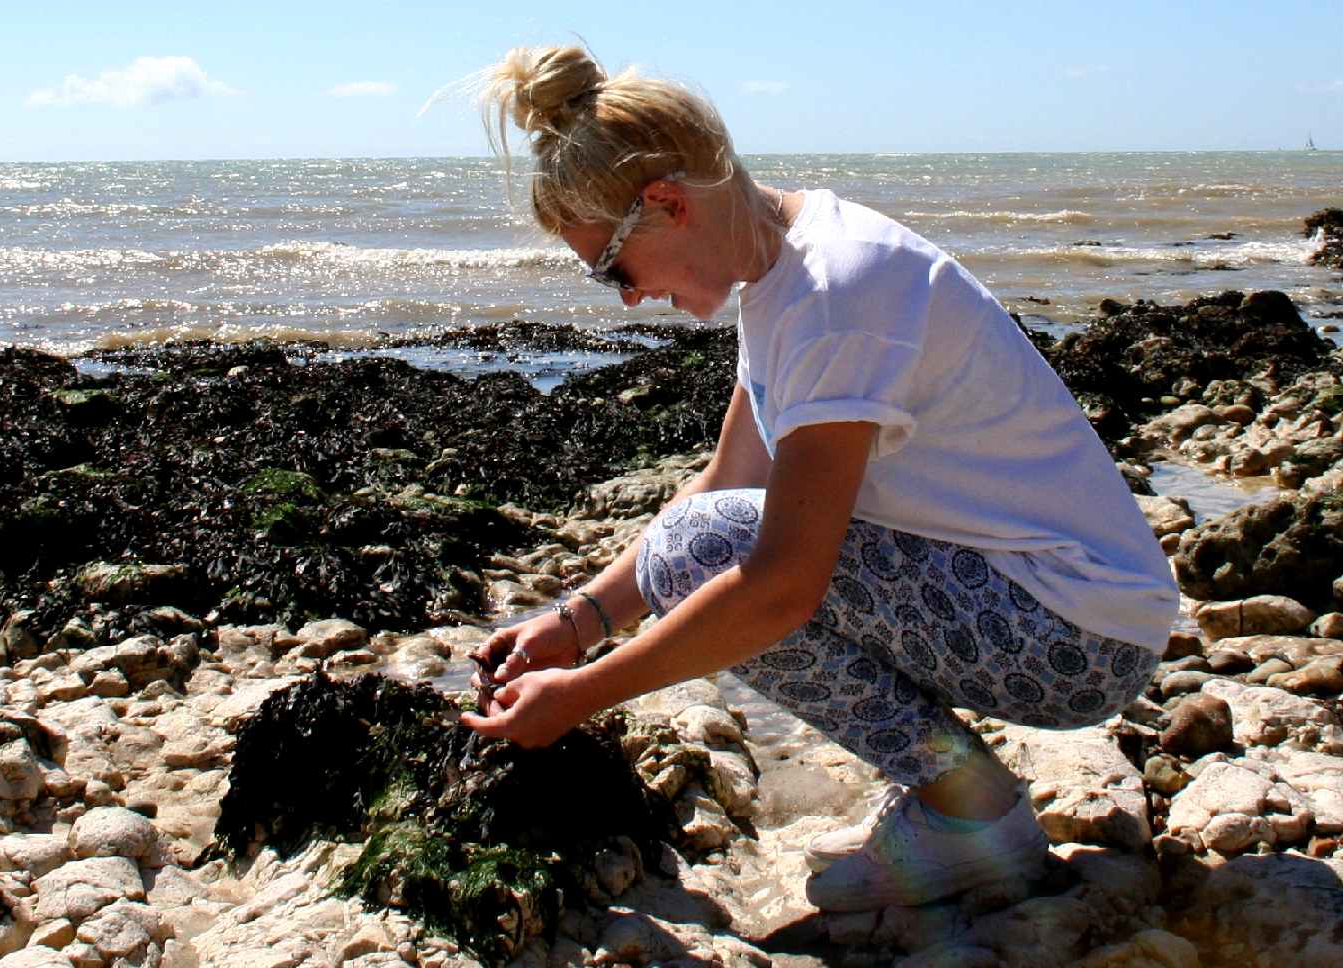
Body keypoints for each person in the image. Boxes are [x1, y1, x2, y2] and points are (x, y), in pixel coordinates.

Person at [459, 45, 1178, 912]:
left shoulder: (833, 296)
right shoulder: (790, 267)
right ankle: (957, 799)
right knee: (702, 536)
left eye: (611, 266)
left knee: (712, 556)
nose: (625, 298)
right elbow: (728, 477)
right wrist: (578, 623)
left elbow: (782, 589)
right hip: (1057, 608)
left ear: (667, 204)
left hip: (1078, 641)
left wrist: (580, 696)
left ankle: (973, 817)